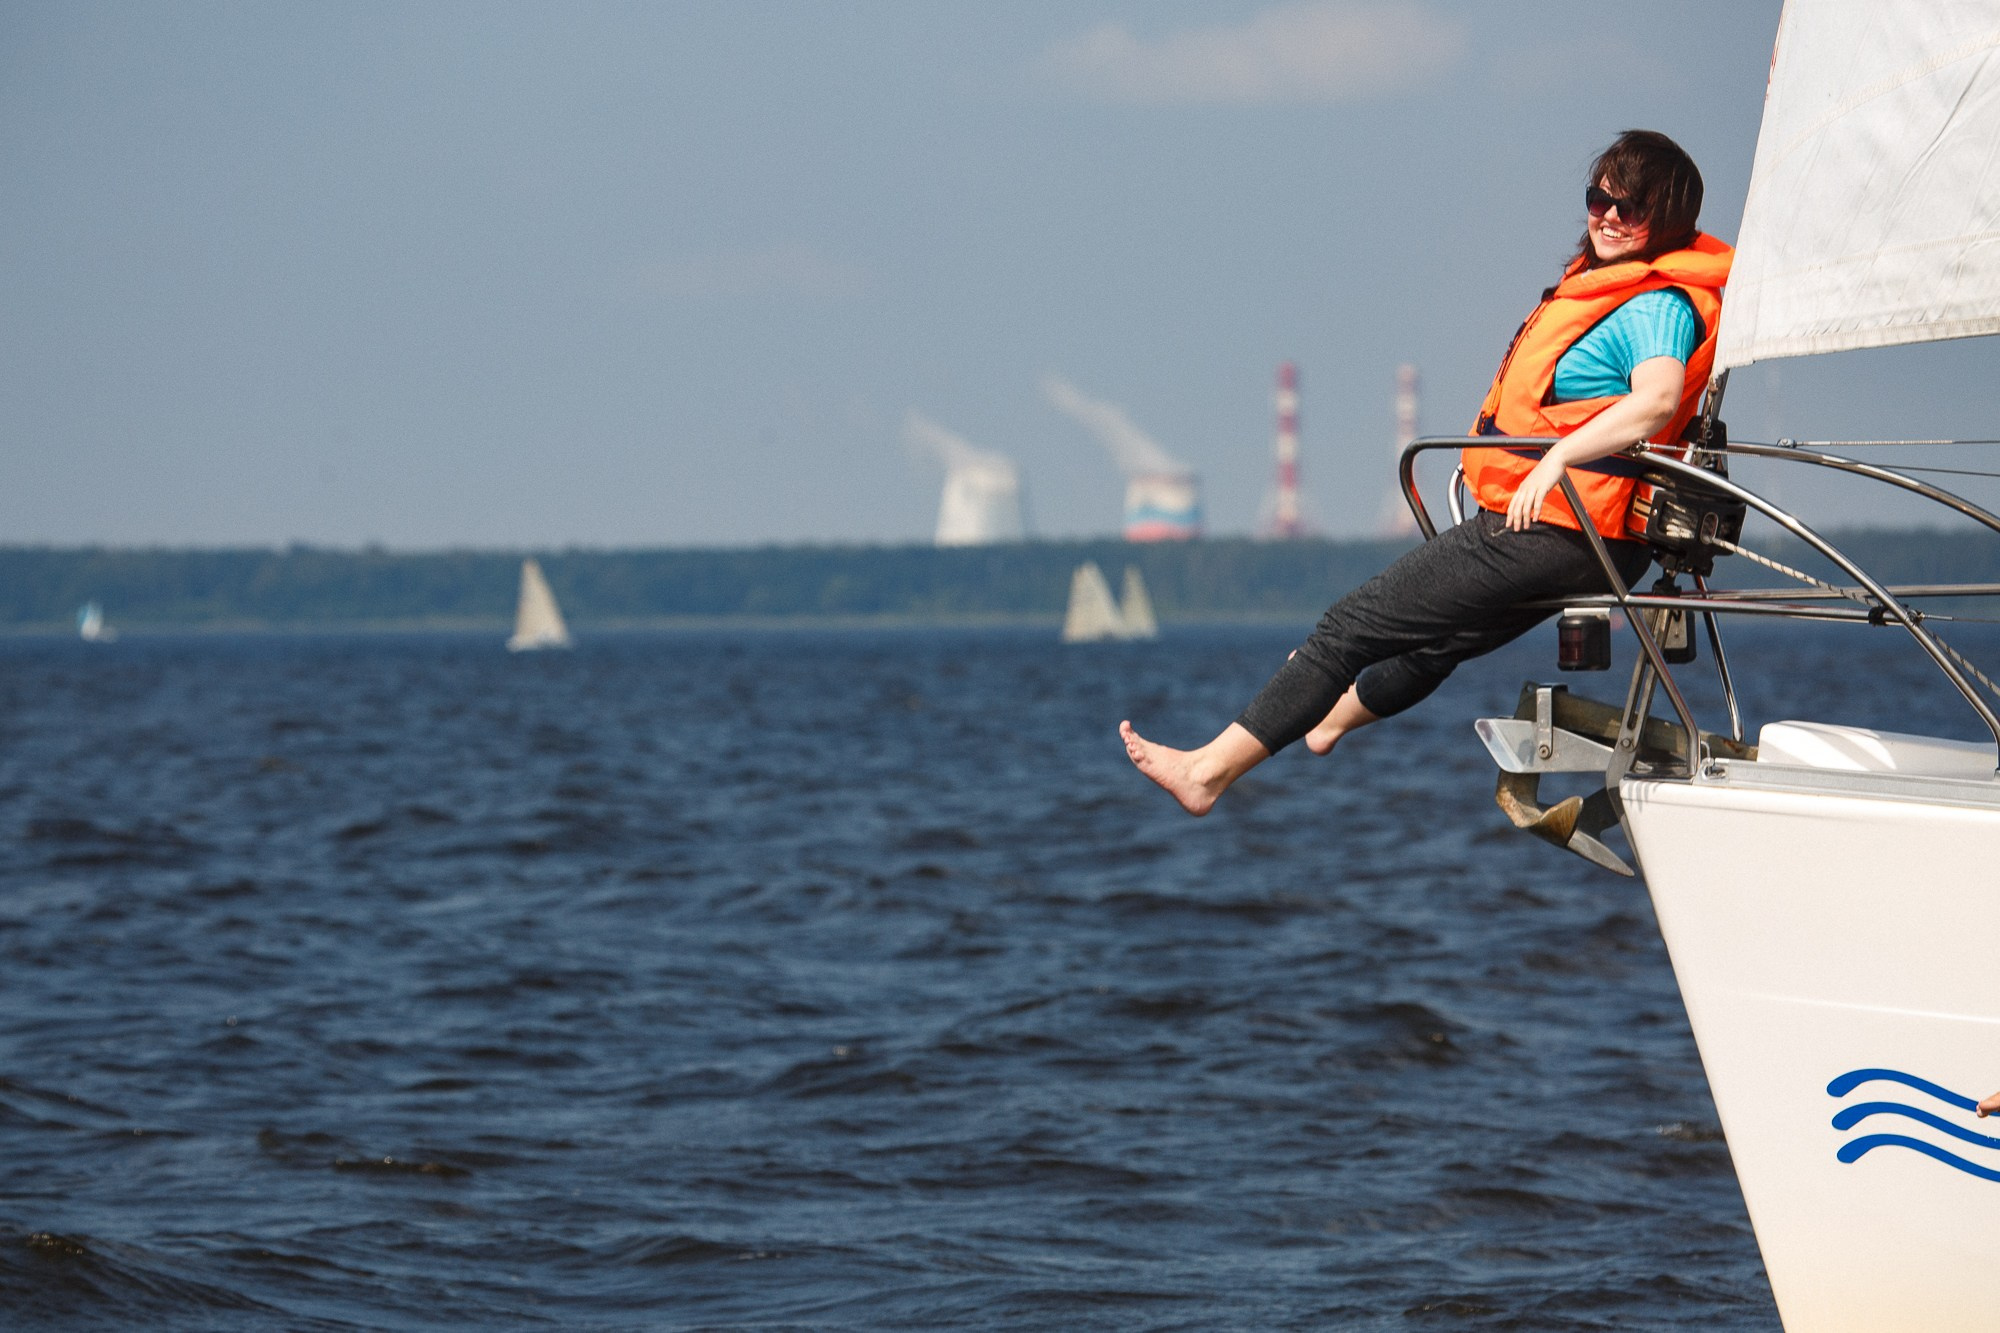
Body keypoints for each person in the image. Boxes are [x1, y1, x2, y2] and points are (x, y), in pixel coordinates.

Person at [1123, 130, 1733, 815]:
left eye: (1635, 209)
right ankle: (1325, 722)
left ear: (1671, 222)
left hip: (1556, 530)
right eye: (1601, 200)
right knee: (1432, 644)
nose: (1610, 218)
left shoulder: (1657, 305)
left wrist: (1559, 458)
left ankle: (1207, 772)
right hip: (1577, 539)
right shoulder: (1602, 290)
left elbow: (1655, 398)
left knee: (1348, 627)